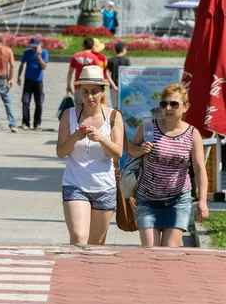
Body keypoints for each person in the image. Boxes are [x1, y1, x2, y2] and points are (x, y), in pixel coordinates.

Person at [129, 83, 209, 247]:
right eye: (164, 103)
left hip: (178, 201)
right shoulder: (149, 127)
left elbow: (200, 169)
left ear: (185, 107)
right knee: (150, 252)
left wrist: (202, 201)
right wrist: (141, 149)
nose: (168, 108)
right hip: (147, 200)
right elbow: (131, 149)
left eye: (174, 104)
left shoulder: (192, 134)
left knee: (168, 253)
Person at [56, 65, 124, 245]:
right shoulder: (68, 115)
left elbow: (118, 152)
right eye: (85, 92)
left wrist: (101, 138)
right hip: (75, 183)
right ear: (79, 91)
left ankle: (90, 274)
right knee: (79, 238)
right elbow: (60, 152)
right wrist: (74, 137)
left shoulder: (114, 116)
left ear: (103, 92)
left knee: (96, 243)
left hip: (104, 186)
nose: (90, 97)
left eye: (95, 91)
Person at [17, 37, 49, 131]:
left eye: (35, 47)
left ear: (39, 46)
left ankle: (37, 124)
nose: (33, 48)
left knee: (39, 102)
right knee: (25, 101)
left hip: (38, 80)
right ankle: (25, 122)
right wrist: (19, 76)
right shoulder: (27, 52)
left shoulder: (44, 53)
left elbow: (44, 67)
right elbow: (22, 64)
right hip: (28, 80)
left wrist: (39, 56)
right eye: (32, 47)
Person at [66, 37, 101, 107]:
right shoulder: (94, 58)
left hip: (78, 85)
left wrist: (68, 85)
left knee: (79, 107)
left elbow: (70, 72)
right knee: (90, 106)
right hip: (92, 86)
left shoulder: (75, 56)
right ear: (92, 46)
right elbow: (99, 72)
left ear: (83, 45)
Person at [105, 41, 131, 108]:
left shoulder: (111, 60)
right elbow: (129, 74)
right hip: (124, 87)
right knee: (125, 106)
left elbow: (107, 73)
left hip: (113, 88)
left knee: (115, 107)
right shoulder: (126, 60)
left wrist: (114, 86)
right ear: (123, 49)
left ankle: (115, 118)